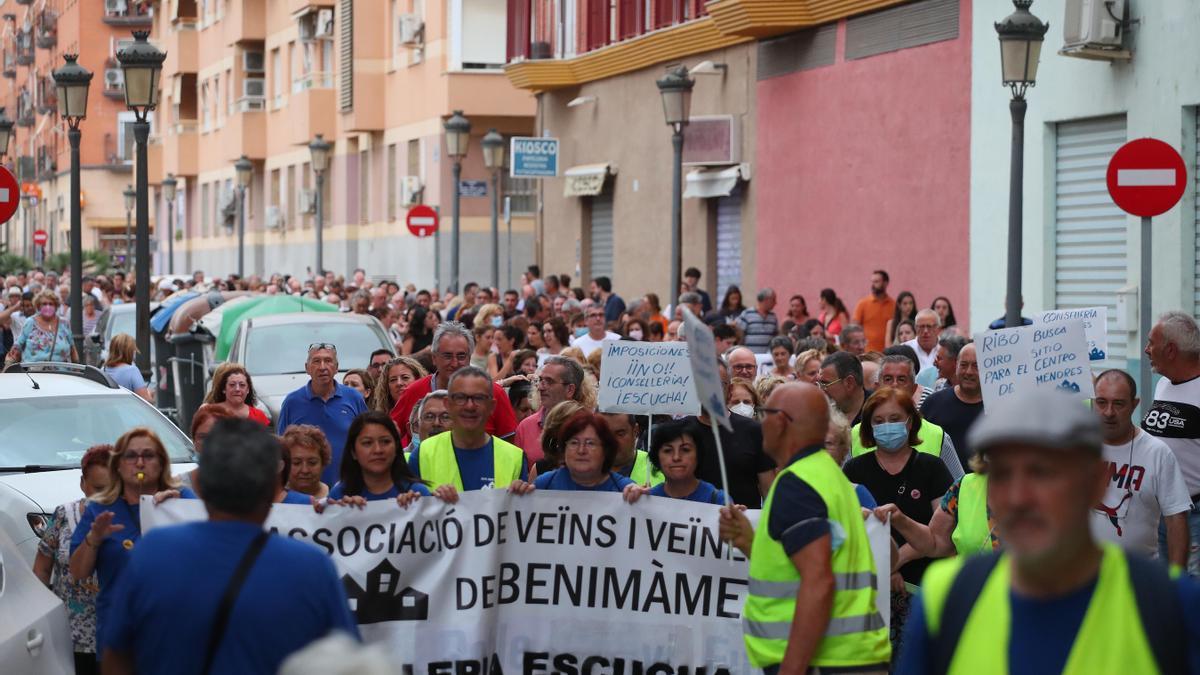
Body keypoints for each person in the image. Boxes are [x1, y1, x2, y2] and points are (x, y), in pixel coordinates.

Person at [897, 389, 1200, 675]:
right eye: (1000, 474)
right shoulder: (946, 596)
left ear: (1096, 484)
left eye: (1041, 473)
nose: (1018, 498)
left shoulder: (1169, 604)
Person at [100, 419, 360, 674]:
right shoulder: (312, 567)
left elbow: (116, 656)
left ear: (203, 483)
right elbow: (350, 663)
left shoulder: (151, 552)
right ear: (271, 484)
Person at [720, 382, 889, 673]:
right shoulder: (827, 476)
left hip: (821, 662)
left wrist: (792, 669)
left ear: (782, 421)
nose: (760, 421)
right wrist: (750, 542)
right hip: (846, 658)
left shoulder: (797, 484)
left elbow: (818, 581)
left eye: (764, 412)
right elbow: (812, 564)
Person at [69, 428, 191, 657]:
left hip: (174, 633)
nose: (140, 462)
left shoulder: (182, 498)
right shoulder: (99, 508)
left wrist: (181, 512)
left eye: (148, 455)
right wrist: (93, 540)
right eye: (131, 456)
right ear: (118, 465)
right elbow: (78, 572)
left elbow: (213, 553)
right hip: (121, 637)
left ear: (162, 462)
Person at [844, 387, 953, 587]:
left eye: (895, 419)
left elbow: (942, 533)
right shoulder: (854, 469)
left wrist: (894, 563)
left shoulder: (932, 467)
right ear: (869, 426)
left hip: (924, 581)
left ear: (910, 422)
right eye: (878, 421)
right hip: (869, 581)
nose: (887, 426)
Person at [1089, 369, 1191, 566]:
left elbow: (1176, 518)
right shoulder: (1077, 447)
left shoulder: (1157, 453)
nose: (1109, 412)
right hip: (1082, 575)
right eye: (1102, 402)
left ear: (1134, 404)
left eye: (1118, 403)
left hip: (1138, 576)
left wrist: (1176, 579)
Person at [34, 445, 111, 675]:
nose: (103, 497)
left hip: (114, 637)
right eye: (97, 488)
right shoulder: (63, 516)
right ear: (82, 484)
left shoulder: (129, 518)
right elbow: (42, 568)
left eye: (110, 488)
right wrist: (40, 619)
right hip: (69, 637)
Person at [407, 367, 528, 501]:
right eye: (461, 398)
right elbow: (408, 514)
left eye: (479, 398)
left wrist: (523, 498)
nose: (470, 406)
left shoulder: (515, 458)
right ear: (448, 404)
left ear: (492, 406)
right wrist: (430, 501)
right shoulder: (423, 454)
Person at [389, 322, 518, 445]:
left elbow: (510, 444)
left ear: (469, 357)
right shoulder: (413, 392)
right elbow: (388, 435)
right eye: (448, 356)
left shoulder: (493, 393)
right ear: (434, 358)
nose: (455, 363)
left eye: (461, 356)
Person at [1142, 310, 1200, 575]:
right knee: (1166, 590)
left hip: (1194, 515)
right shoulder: (1164, 384)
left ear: (1171, 350)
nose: (1146, 349)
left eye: (1151, 343)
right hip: (1161, 513)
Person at [849, 355, 964, 479]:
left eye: (902, 379)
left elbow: (958, 487)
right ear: (877, 386)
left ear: (914, 388)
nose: (894, 385)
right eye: (888, 379)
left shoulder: (937, 436)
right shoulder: (856, 434)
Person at [276, 344, 369, 485]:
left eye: (328, 361)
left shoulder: (354, 398)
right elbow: (282, 449)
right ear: (307, 368)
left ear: (336, 367)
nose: (322, 367)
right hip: (305, 488)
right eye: (316, 361)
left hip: (349, 487)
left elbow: (367, 439)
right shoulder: (292, 402)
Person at [516, 411, 648, 502]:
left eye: (590, 443)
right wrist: (517, 496)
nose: (581, 450)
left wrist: (640, 498)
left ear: (605, 449)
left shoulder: (624, 488)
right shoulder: (545, 483)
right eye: (574, 443)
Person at [329, 411, 431, 503]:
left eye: (385, 441)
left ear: (396, 447)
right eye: (367, 443)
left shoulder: (418, 494)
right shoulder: (339, 497)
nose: (377, 450)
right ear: (353, 451)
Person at [920, 343, 983, 469]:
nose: (969, 372)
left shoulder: (997, 408)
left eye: (976, 366)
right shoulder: (933, 403)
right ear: (956, 366)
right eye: (964, 365)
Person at [645, 419, 725, 503]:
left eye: (685, 450)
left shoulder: (719, 501)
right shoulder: (646, 499)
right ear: (657, 456)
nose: (676, 457)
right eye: (668, 450)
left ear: (698, 454)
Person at [6, 288, 75, 363]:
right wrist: (10, 361)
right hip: (33, 372)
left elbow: (72, 349)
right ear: (38, 306)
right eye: (44, 304)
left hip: (61, 372)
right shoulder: (30, 322)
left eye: (51, 304)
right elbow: (18, 345)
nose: (47, 306)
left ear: (56, 306)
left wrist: (77, 368)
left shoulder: (64, 323)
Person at [600, 412, 664, 486]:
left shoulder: (660, 467)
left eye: (620, 434)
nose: (612, 442)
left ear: (635, 431)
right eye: (605, 434)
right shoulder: (585, 470)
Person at [281, 424, 333, 500]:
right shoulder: (270, 500)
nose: (305, 470)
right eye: (296, 463)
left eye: (312, 463)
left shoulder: (337, 498)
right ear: (284, 464)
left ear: (323, 463)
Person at [820, 351, 869, 426]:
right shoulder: (820, 414)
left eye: (825, 384)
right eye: (819, 384)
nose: (821, 390)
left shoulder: (877, 412)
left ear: (849, 383)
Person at [852, 270, 896, 353]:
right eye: (872, 282)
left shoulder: (894, 305)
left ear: (886, 283)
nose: (872, 285)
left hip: (887, 353)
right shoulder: (863, 304)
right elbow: (854, 328)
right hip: (867, 353)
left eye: (876, 282)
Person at [103, 334, 151, 402]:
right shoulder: (132, 371)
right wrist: (150, 394)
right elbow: (146, 400)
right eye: (133, 350)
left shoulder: (103, 370)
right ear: (129, 351)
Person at [406, 390, 451, 456]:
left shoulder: (469, 460)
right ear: (419, 424)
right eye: (429, 417)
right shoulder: (404, 462)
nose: (436, 423)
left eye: (445, 417)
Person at [736, 288, 779, 355]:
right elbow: (739, 335)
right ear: (766, 300)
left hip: (766, 357)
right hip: (749, 355)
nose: (776, 303)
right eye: (773, 300)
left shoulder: (773, 317)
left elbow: (775, 336)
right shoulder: (747, 314)